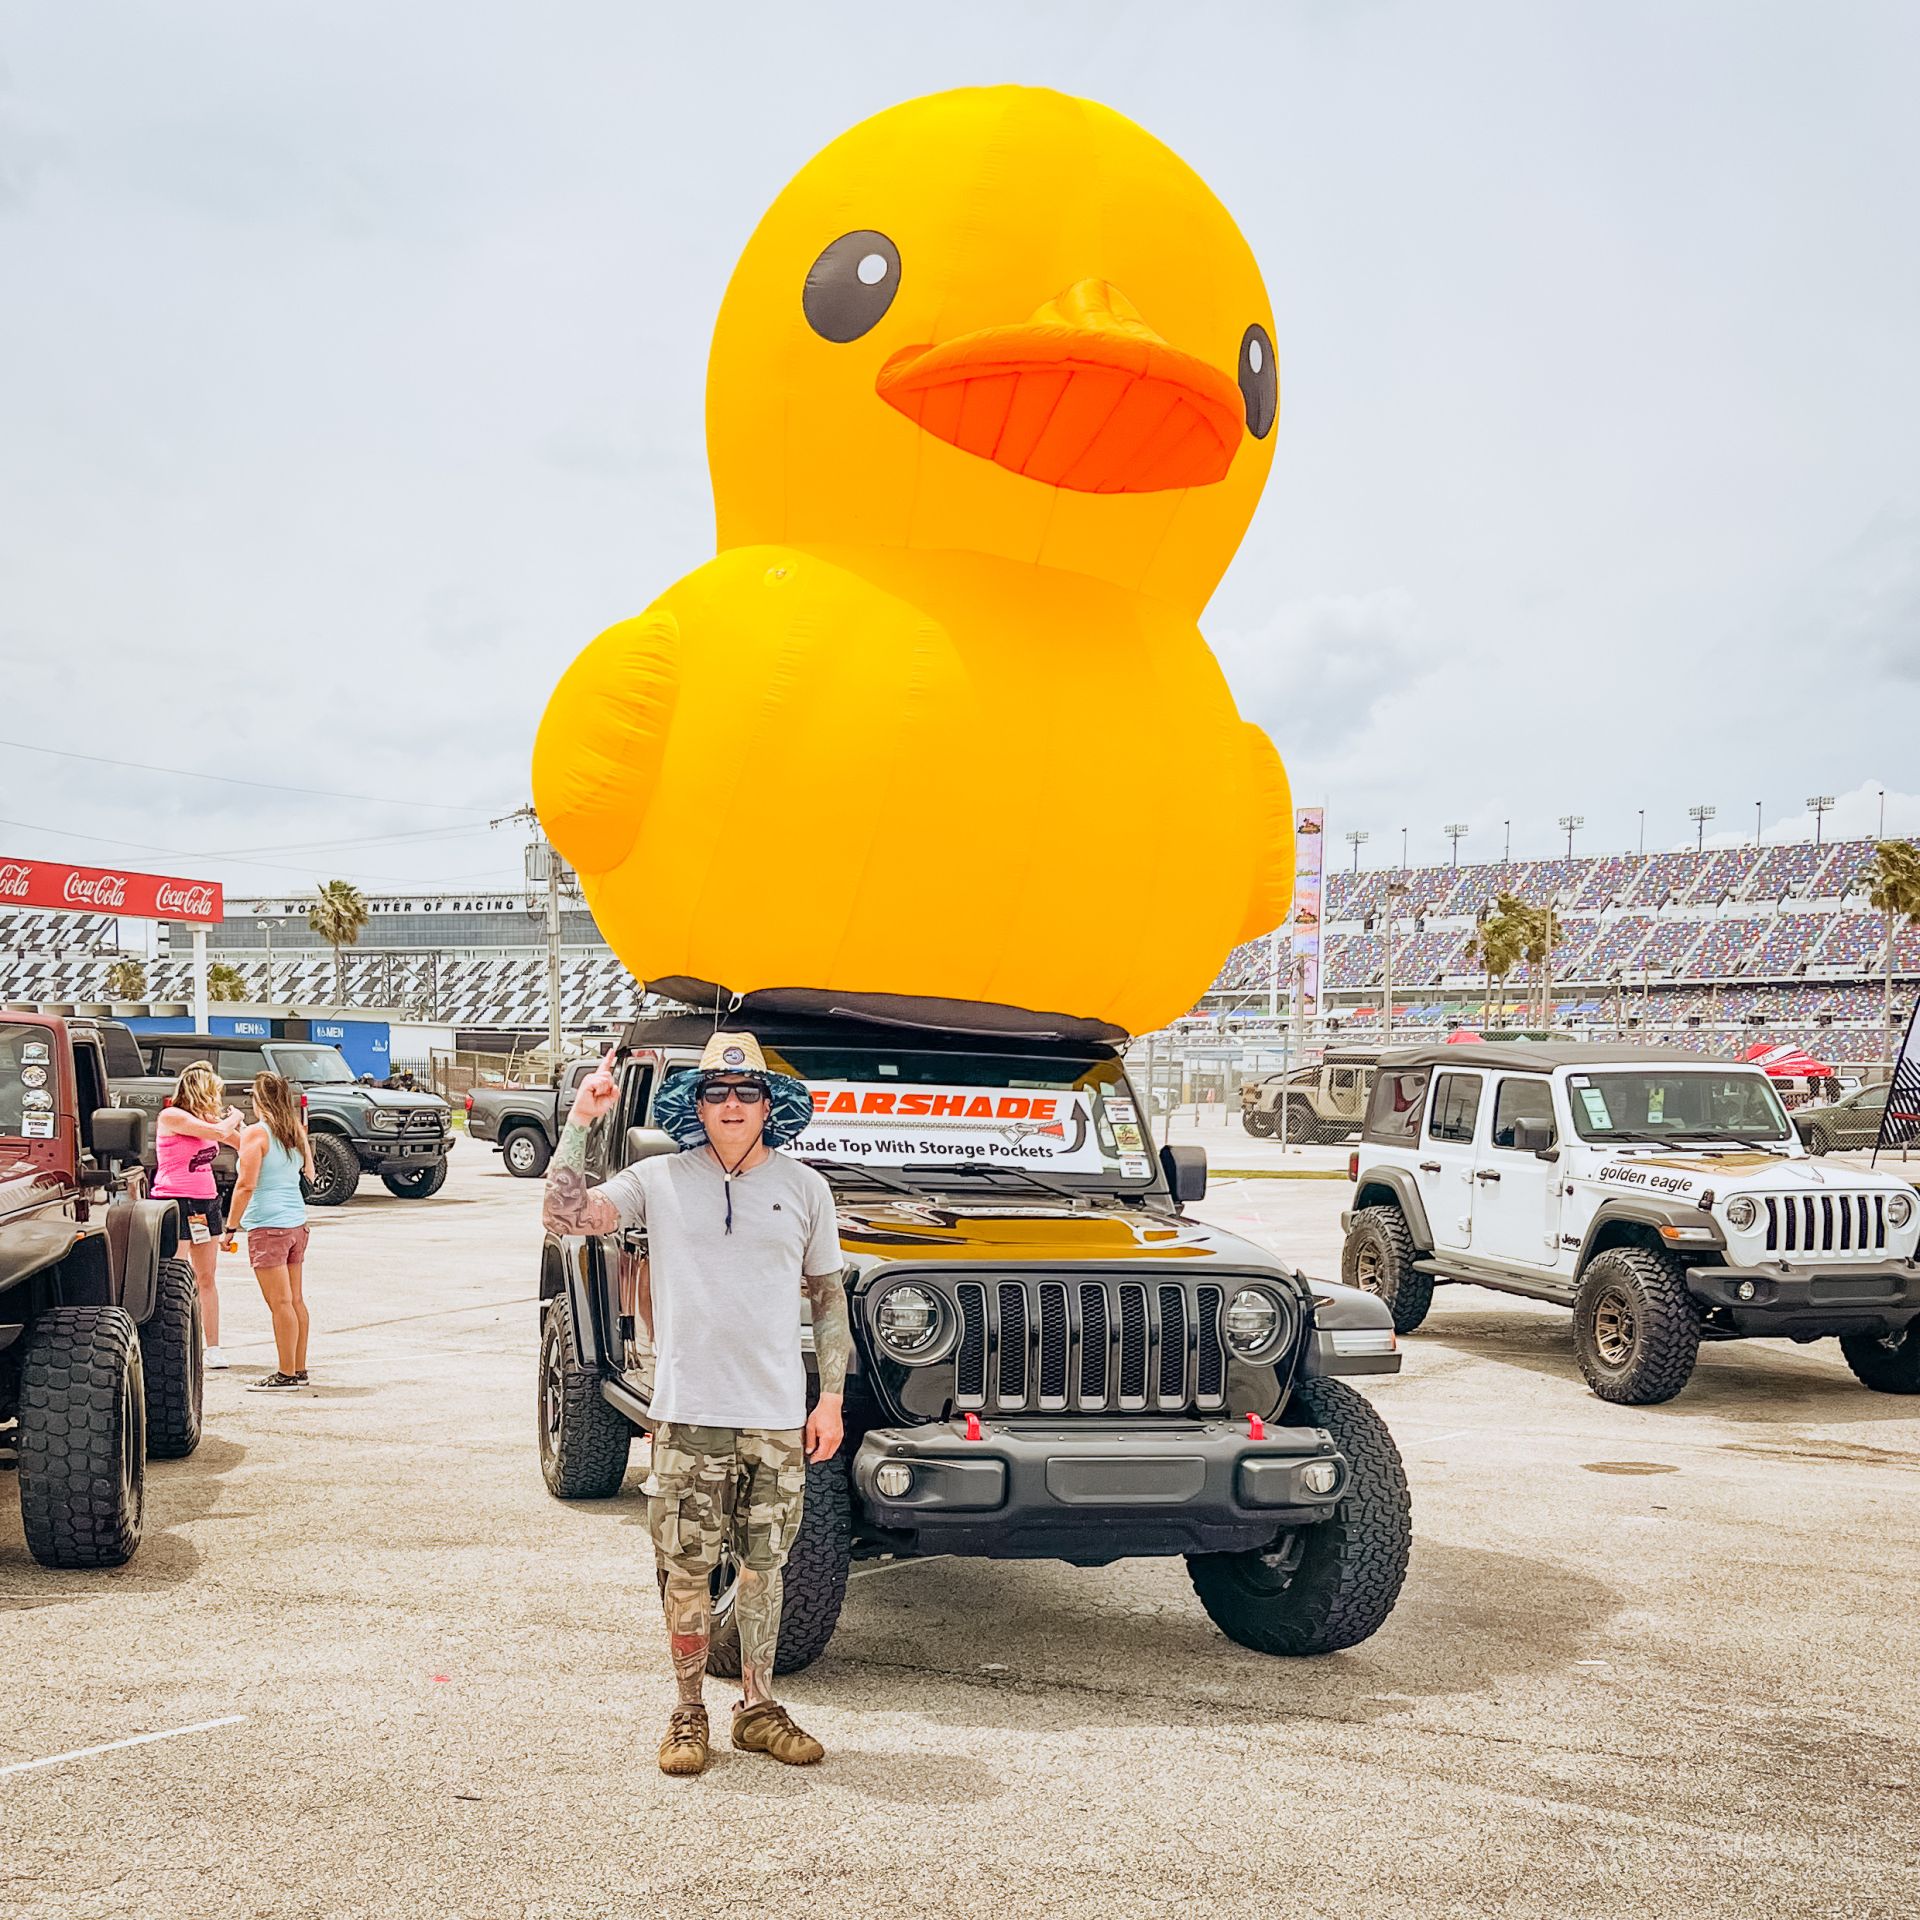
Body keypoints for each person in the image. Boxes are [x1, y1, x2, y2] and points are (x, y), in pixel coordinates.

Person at [542, 1030, 850, 1779]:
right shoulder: (659, 1179)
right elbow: (564, 1216)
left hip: (777, 1416)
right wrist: (582, 1120)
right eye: (717, 1092)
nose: (733, 1103)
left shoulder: (806, 1187)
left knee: (763, 1570)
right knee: (685, 1569)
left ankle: (757, 1707)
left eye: (748, 1092)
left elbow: (829, 1298)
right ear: (698, 1106)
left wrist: (831, 1397)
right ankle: (688, 1712)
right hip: (687, 1413)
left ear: (768, 1105)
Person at [225, 1071, 316, 1392]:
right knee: (295, 1301)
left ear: (258, 1100)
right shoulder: (293, 1130)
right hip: (295, 1222)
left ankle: (285, 1374)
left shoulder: (257, 1134)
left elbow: (246, 1184)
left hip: (268, 1224)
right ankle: (299, 1367)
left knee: (279, 1304)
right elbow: (308, 1171)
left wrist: (230, 1227)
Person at [152, 1062, 245, 1369]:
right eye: (214, 1092)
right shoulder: (173, 1116)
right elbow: (220, 1131)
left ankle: (213, 1346)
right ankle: (174, 1342)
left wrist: (251, 1133)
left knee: (207, 1276)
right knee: (177, 1275)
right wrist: (235, 1117)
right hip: (175, 1200)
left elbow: (240, 1142)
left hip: (205, 1202)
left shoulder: (207, 1119)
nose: (217, 1100)